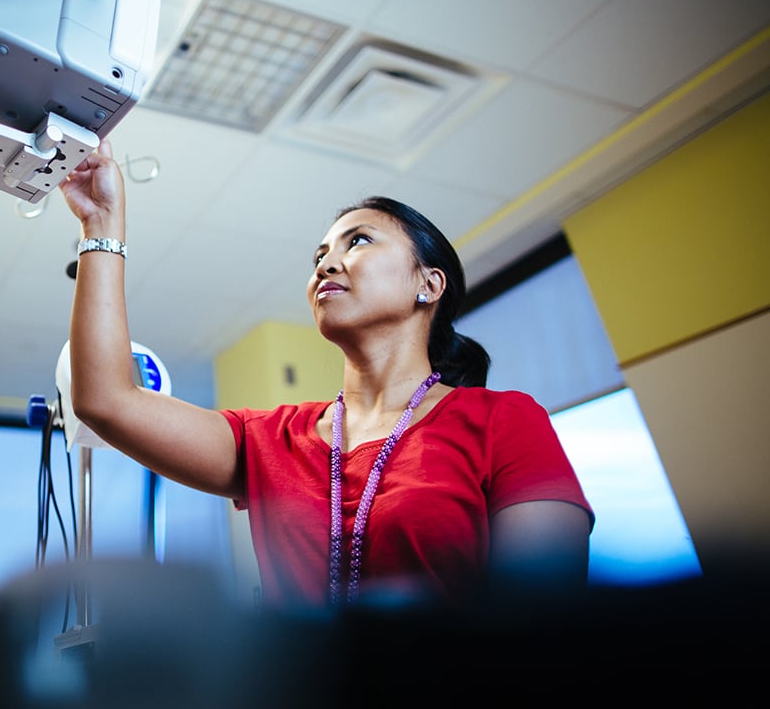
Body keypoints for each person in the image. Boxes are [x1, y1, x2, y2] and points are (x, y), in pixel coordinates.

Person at [59, 139, 593, 611]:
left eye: (357, 242)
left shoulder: (503, 421)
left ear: (428, 285)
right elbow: (106, 400)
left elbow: (539, 621)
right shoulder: (269, 441)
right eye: (320, 254)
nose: (325, 264)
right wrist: (102, 224)